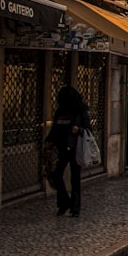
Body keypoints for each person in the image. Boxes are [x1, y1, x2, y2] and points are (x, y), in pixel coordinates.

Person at [44, 86, 90, 217]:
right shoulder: (60, 111)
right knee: (56, 175)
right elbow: (55, 128)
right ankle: (64, 202)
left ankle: (75, 208)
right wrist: (49, 141)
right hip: (62, 148)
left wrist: (79, 130)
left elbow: (88, 130)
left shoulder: (81, 111)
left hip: (76, 148)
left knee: (75, 179)